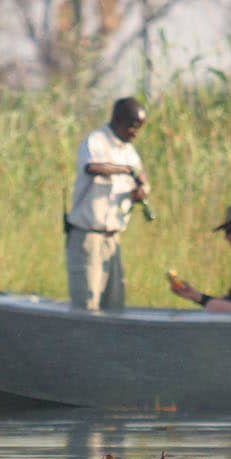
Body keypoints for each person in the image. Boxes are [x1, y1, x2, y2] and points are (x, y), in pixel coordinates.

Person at [65, 97, 149, 311]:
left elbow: (142, 177)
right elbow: (92, 167)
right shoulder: (96, 141)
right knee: (87, 304)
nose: (135, 133)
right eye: (133, 126)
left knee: (114, 304)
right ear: (118, 120)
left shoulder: (129, 151)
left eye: (139, 128)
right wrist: (126, 170)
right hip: (88, 237)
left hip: (113, 238)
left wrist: (142, 191)